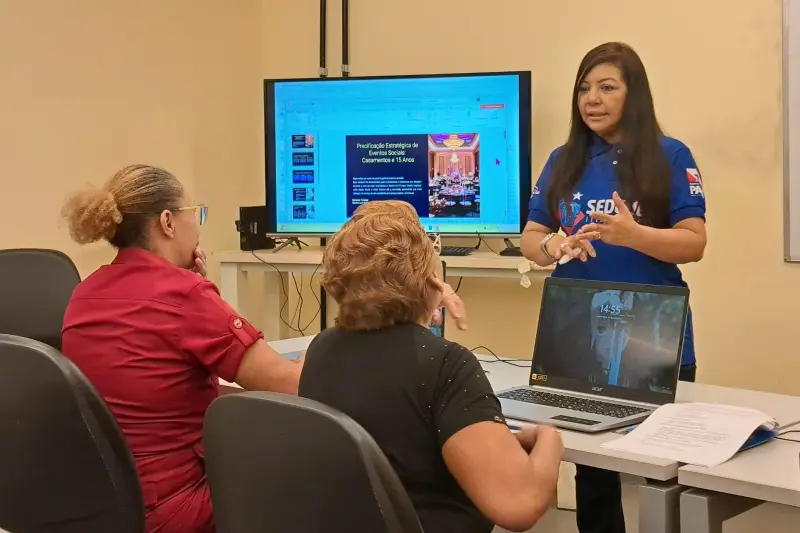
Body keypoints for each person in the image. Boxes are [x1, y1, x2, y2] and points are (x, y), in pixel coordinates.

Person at [520, 42, 707, 533]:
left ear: (633, 94)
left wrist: (634, 235)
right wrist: (553, 247)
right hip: (577, 332)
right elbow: (531, 238)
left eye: (607, 87)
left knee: (662, 469)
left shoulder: (670, 155)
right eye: (584, 88)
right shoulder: (563, 159)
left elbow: (694, 243)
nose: (592, 99)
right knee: (592, 468)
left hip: (653, 335)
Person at [61, 164, 304, 533]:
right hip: (176, 508)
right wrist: (321, 353)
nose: (199, 226)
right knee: (311, 470)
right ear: (168, 222)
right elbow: (292, 385)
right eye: (197, 213)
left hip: (109, 504)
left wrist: (193, 289)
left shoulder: (84, 293)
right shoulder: (185, 296)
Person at [299, 200, 564, 533]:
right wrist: (549, 438)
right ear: (433, 282)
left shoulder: (320, 350)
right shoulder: (444, 364)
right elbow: (519, 505)